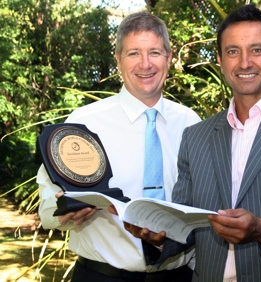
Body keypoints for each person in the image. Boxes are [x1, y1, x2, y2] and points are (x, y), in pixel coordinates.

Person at [124, 3, 261, 282]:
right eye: (233, 52)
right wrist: (158, 237)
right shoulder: (196, 136)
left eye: (257, 50)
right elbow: (185, 227)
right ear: (220, 61)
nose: (245, 62)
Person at [37, 11, 201, 282]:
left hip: (179, 276)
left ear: (169, 58)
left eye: (155, 53)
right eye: (134, 53)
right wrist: (66, 211)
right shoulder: (82, 124)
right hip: (102, 276)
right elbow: (46, 210)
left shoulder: (192, 123)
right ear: (118, 60)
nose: (145, 64)